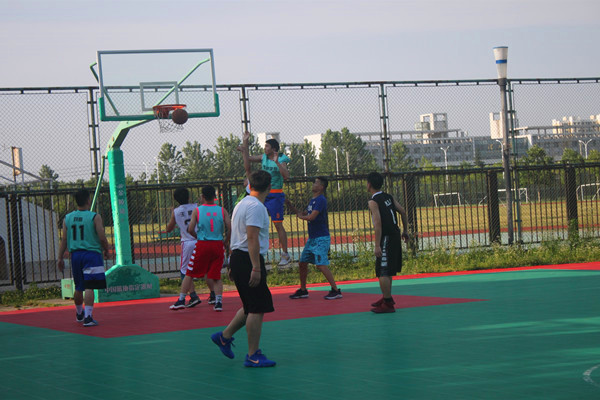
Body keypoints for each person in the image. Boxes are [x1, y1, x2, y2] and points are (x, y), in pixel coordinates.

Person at [211, 170, 276, 368]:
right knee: (257, 307)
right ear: (269, 187)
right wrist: (256, 267)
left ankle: (224, 337)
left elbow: (235, 235)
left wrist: (232, 262)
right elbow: (251, 237)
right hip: (248, 259)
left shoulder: (241, 204)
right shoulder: (256, 207)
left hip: (239, 257)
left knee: (250, 305)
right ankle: (253, 354)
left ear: (250, 185)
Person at [57, 189, 110, 327]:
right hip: (91, 254)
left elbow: (64, 240)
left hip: (75, 255)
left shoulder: (68, 218)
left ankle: (79, 313)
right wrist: (106, 250)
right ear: (88, 200)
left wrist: (60, 257)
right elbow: (102, 237)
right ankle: (88, 317)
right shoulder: (94, 217)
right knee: (90, 286)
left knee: (79, 286)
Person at [286, 177, 342, 300]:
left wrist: (301, 217)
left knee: (321, 265)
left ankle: (336, 290)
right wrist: (290, 206)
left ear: (321, 187)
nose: (313, 184)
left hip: (321, 238)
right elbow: (304, 213)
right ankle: (303, 290)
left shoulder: (321, 200)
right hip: (312, 239)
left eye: (316, 183)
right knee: (302, 263)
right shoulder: (313, 200)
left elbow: (311, 217)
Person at [242, 131, 291, 266]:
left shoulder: (281, 159)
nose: (265, 148)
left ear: (273, 149)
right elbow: (248, 158)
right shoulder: (263, 157)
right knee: (255, 223)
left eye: (267, 146)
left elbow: (286, 176)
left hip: (275, 194)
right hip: (262, 194)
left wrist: (277, 163)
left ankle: (285, 254)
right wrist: (245, 142)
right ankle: (254, 253)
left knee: (278, 224)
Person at [366, 172, 410, 313]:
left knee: (383, 271)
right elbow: (403, 211)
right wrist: (405, 231)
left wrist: (377, 245)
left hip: (386, 237)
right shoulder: (388, 197)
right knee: (388, 269)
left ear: (369, 185)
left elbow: (378, 223)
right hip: (395, 234)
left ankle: (388, 303)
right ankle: (387, 297)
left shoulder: (373, 201)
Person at [184, 185, 231, 311]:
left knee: (190, 272)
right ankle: (218, 301)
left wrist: (198, 236)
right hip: (218, 244)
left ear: (202, 196)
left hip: (203, 243)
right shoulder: (222, 210)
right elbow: (230, 227)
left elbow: (190, 229)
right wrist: (226, 241)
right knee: (216, 275)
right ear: (214, 196)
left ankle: (183, 298)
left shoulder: (198, 210)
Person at [167, 188, 203, 310]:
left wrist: (173, 216)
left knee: (185, 271)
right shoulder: (197, 207)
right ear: (189, 197)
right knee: (207, 269)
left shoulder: (176, 211)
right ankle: (213, 295)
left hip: (188, 242)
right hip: (201, 240)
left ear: (176, 200)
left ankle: (190, 296)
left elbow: (169, 228)